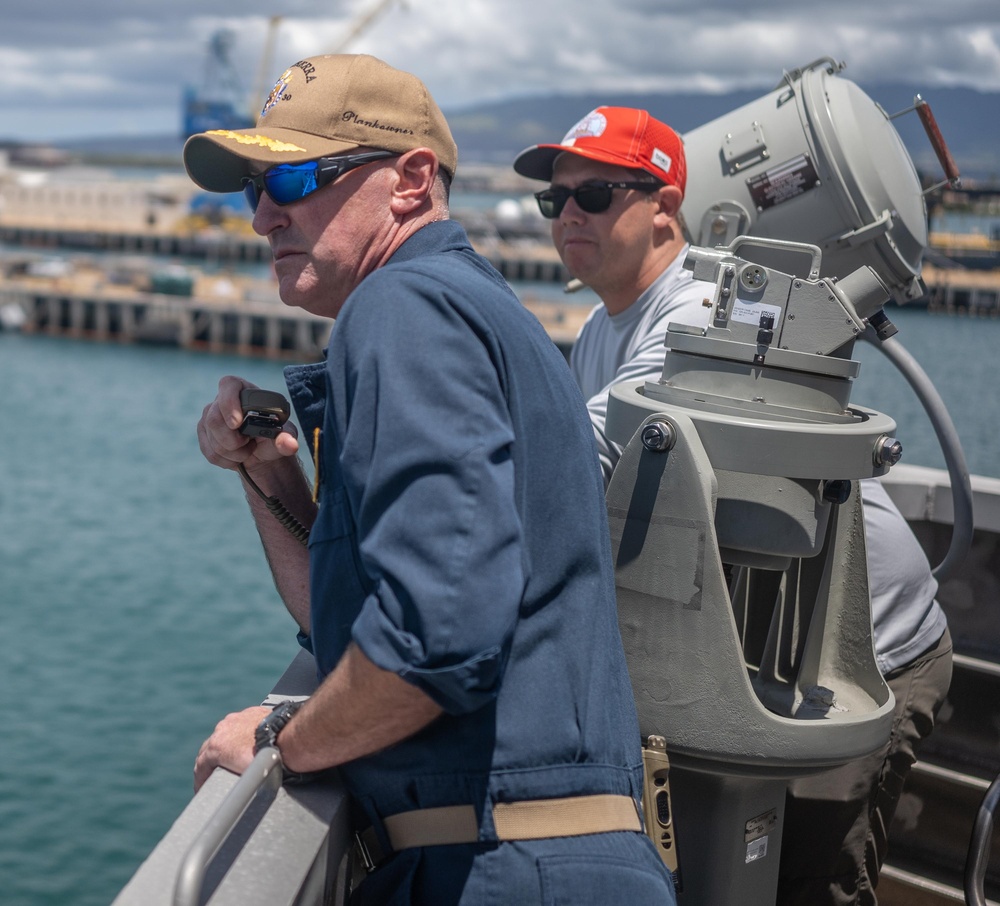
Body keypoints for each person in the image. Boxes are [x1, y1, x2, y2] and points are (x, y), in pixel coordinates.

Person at [183, 57, 677, 905]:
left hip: (497, 869)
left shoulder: (403, 308)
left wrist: (280, 740)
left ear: (411, 181)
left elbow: (433, 642)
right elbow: (356, 625)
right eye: (254, 188)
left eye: (294, 177)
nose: (265, 215)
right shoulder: (469, 307)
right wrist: (271, 475)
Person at [514, 106, 954, 906]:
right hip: (752, 650)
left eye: (598, 194)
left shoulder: (700, 316)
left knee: (811, 884)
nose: (569, 215)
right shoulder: (600, 329)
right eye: (557, 200)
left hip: (855, 654)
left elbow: (573, 462)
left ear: (665, 206)